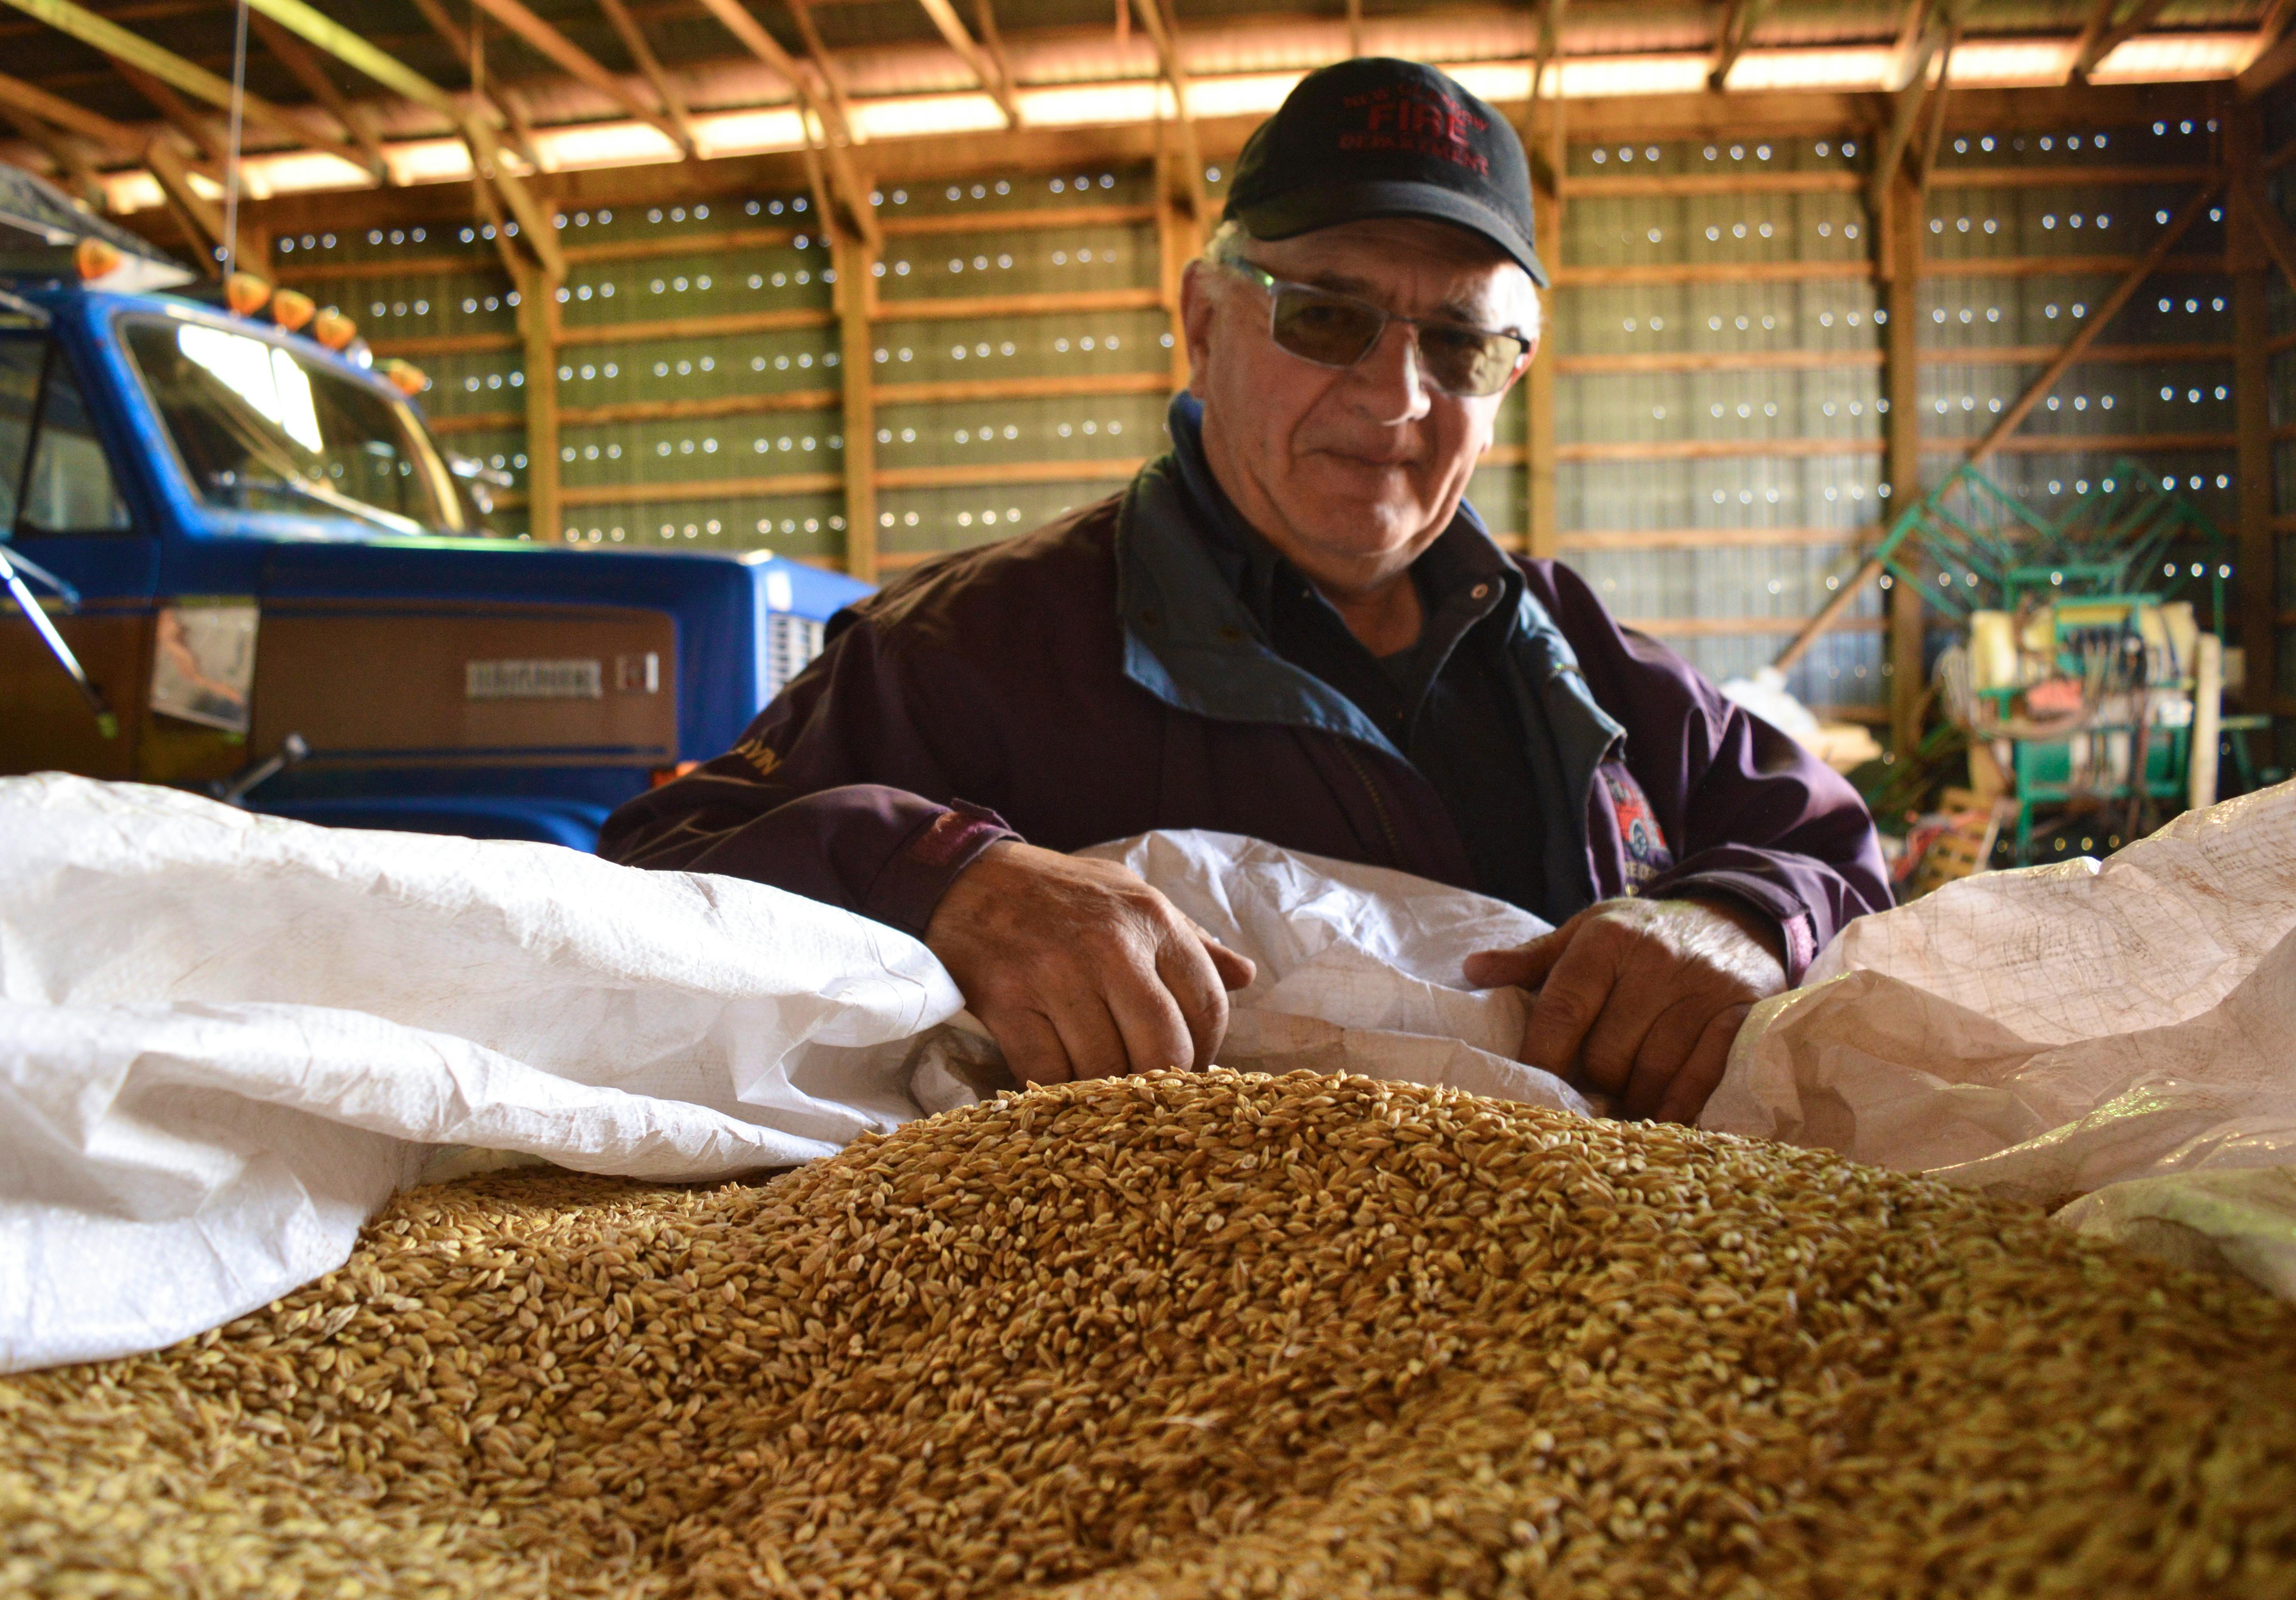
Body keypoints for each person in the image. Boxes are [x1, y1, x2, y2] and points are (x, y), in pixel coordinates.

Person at [600, 57, 1892, 1122]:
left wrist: (1739, 917)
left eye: (1462, 343)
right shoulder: (971, 650)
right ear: (1207, 321)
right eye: (1328, 316)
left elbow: (1830, 850)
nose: (1395, 398)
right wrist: (947, 879)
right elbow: (657, 876)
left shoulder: (1581, 658)